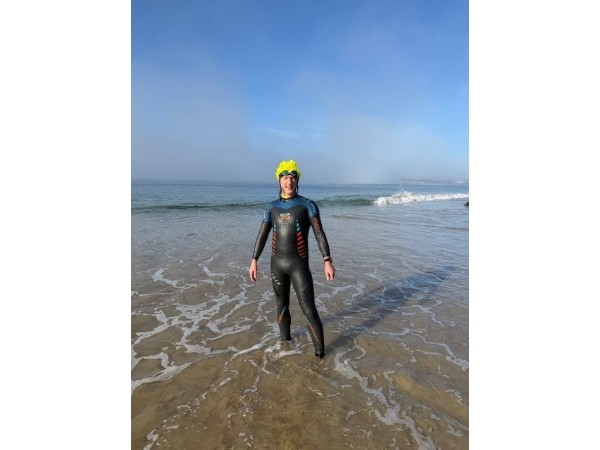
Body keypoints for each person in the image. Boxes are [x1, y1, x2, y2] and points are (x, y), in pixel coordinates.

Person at [248, 159, 335, 359]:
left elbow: (319, 233)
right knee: (281, 306)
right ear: (279, 181)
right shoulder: (271, 207)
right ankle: (285, 347)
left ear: (297, 181)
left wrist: (327, 260)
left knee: (308, 309)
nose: (289, 182)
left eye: (292, 178)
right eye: (285, 178)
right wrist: (254, 260)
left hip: (299, 266)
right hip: (277, 266)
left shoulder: (307, 205)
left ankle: (321, 357)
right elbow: (262, 235)